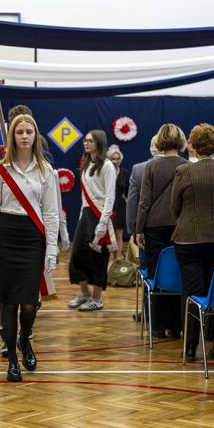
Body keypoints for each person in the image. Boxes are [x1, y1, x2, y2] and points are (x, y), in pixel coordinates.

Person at [0, 114, 59, 382]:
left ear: (36, 136)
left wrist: (51, 250)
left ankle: (24, 340)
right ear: (12, 137)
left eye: (29, 131)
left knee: (29, 304)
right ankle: (12, 361)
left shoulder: (47, 171)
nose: (24, 136)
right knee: (9, 302)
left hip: (32, 238)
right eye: (19, 132)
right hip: (6, 237)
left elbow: (51, 215)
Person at [171, 123, 214, 361]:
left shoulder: (184, 172)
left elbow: (174, 207)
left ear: (194, 147)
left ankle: (189, 346)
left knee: (191, 292)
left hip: (188, 239)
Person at [135, 124, 187, 337]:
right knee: (178, 274)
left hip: (154, 226)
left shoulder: (151, 167)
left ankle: (156, 326)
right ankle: (176, 326)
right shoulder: (185, 165)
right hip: (179, 225)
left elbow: (144, 202)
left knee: (157, 276)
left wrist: (139, 229)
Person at [68, 129, 117, 312]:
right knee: (77, 256)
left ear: (99, 143)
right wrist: (82, 216)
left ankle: (97, 299)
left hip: (101, 216)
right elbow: (84, 196)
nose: (86, 143)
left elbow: (110, 197)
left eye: (90, 141)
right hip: (86, 214)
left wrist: (103, 223)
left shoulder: (107, 166)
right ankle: (84, 293)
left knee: (99, 258)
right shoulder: (86, 163)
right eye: (85, 141)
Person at [126, 136, 160, 245]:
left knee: (146, 261)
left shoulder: (138, 169)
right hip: (175, 227)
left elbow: (132, 202)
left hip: (146, 227)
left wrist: (133, 229)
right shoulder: (184, 166)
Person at [107, 144, 129, 255]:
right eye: (113, 159)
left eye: (117, 158)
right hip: (108, 205)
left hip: (120, 206)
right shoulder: (105, 172)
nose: (116, 161)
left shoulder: (125, 173)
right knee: (107, 234)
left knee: (119, 233)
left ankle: (117, 260)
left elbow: (128, 190)